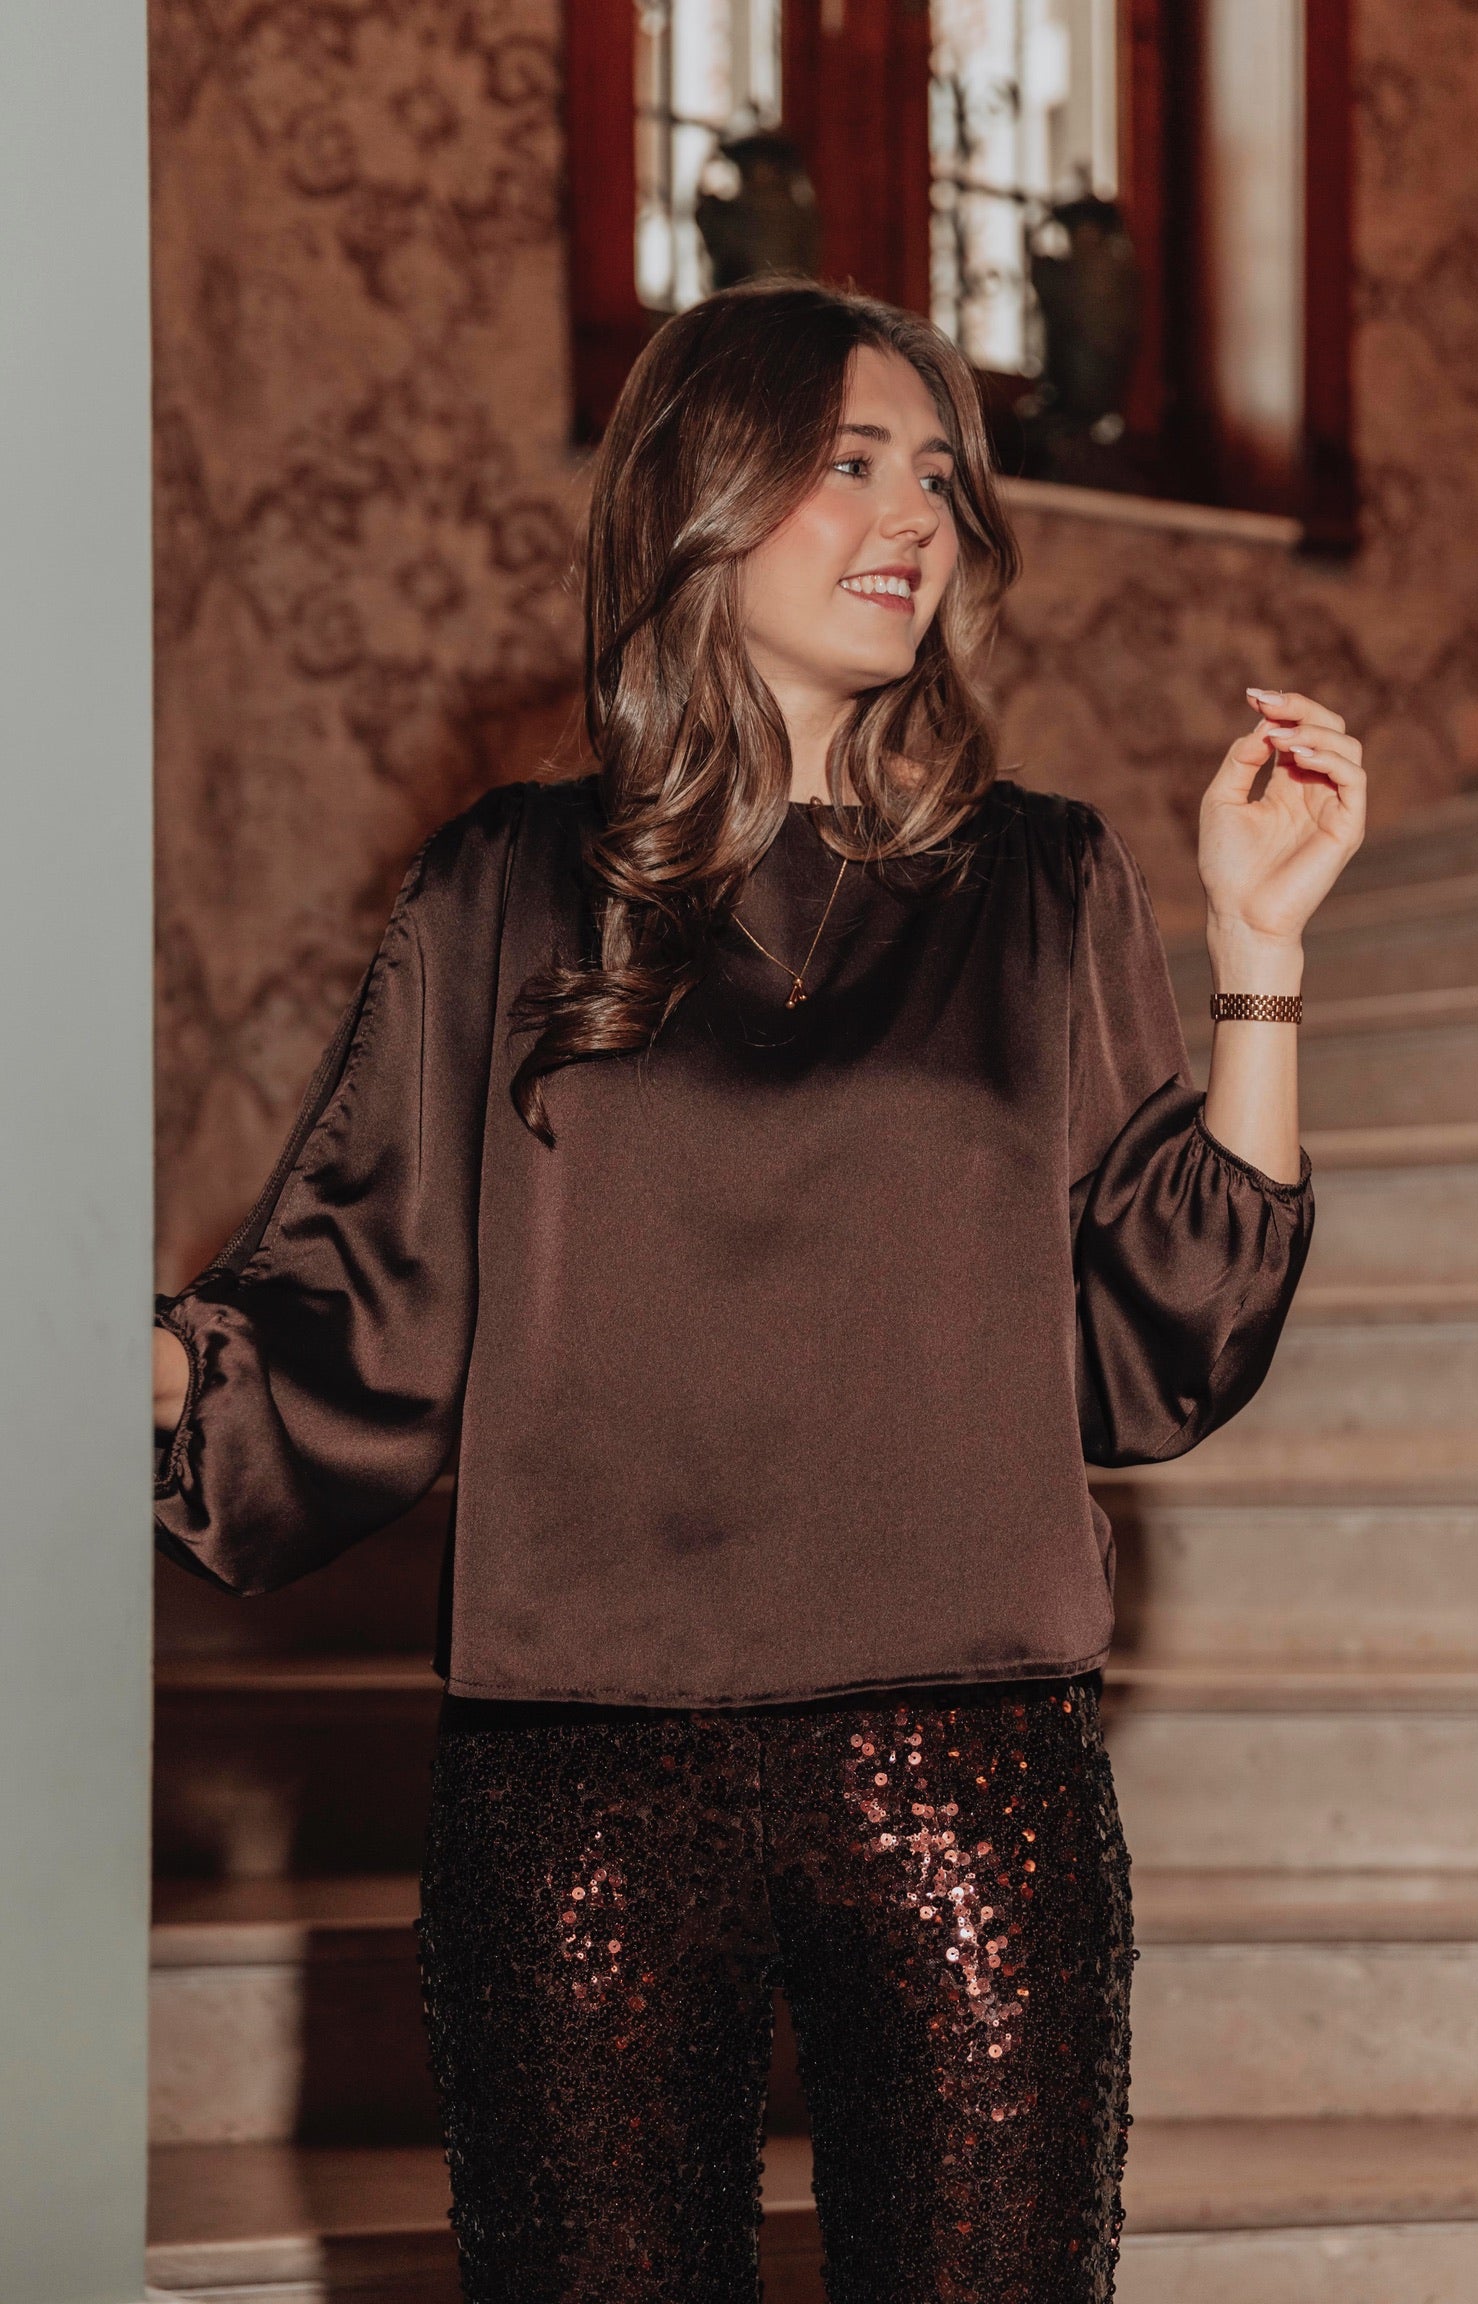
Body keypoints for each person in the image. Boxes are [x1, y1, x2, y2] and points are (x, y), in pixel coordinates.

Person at [152, 280, 1365, 2303]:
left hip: (969, 1770)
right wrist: (132, 1367)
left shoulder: (1048, 884)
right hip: (576, 1781)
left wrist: (1262, 957)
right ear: (701, 497)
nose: (914, 518)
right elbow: (358, 1304)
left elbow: (1164, 1328)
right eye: (849, 461)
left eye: (940, 478)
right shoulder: (501, 887)